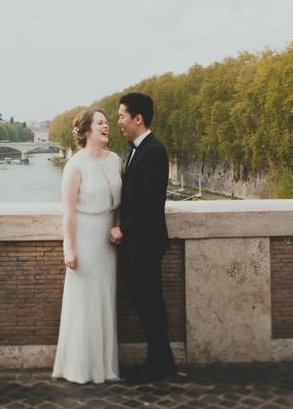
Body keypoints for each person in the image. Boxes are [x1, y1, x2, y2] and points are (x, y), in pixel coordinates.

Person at [52, 108, 122, 384]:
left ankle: (105, 366)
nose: (107, 126)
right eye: (101, 123)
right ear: (86, 130)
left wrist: (119, 226)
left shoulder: (115, 160)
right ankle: (81, 367)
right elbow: (68, 212)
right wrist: (69, 249)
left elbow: (120, 202)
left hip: (109, 240)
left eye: (107, 122)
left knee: (105, 300)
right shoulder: (75, 165)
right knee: (84, 303)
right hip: (85, 238)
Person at [110, 92, 175, 384]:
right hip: (138, 244)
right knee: (146, 303)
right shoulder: (138, 148)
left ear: (138, 118)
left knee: (150, 304)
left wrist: (124, 229)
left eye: (122, 115)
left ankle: (160, 366)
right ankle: (160, 362)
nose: (119, 121)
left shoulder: (154, 151)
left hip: (145, 244)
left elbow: (151, 204)